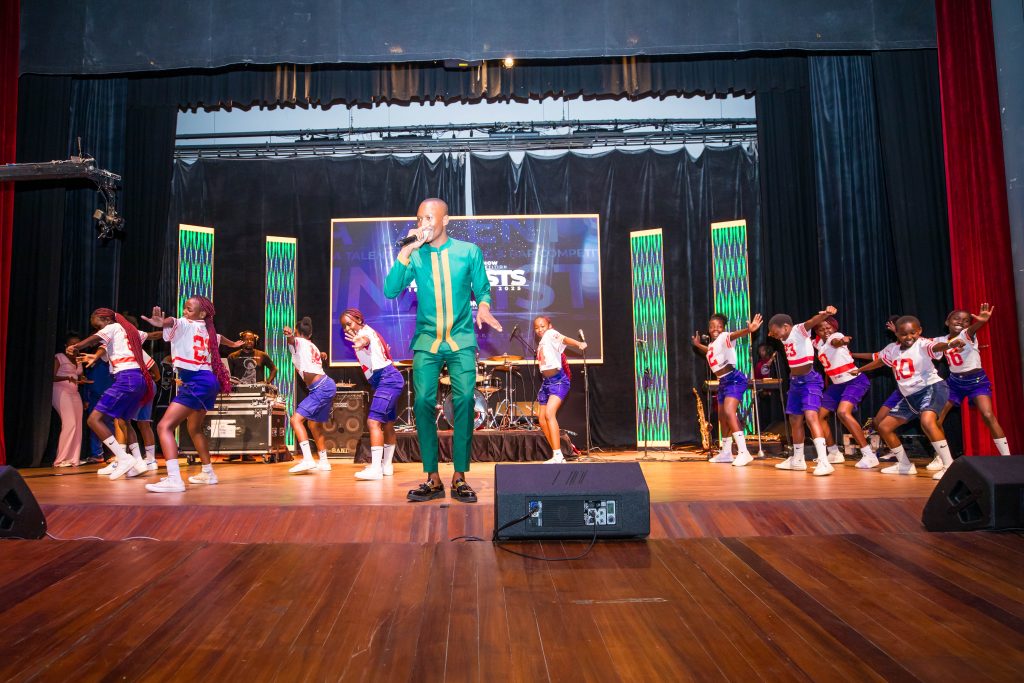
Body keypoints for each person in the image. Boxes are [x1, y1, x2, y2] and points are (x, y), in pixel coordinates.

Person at [383, 198, 501, 503]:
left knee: (463, 400)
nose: (424, 224)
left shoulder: (468, 251)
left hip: (461, 339)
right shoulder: (417, 255)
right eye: (420, 218)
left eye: (429, 218)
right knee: (422, 401)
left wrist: (484, 307)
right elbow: (390, 289)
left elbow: (483, 288)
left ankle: (459, 476)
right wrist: (406, 250)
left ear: (445, 220)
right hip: (427, 341)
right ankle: (432, 477)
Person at [142, 297, 241, 493]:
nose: (185, 312)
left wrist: (164, 322)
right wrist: (235, 344)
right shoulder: (209, 331)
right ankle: (208, 472)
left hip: (197, 382)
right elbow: (223, 339)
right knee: (194, 428)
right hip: (208, 382)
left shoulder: (185, 324)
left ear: (202, 314)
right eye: (184, 309)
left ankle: (174, 479)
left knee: (164, 426)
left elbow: (173, 321)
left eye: (189, 309)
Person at [852, 316, 964, 478]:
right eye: (904, 334)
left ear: (919, 331)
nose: (909, 337)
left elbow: (938, 346)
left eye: (913, 332)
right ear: (896, 333)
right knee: (884, 427)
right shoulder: (892, 349)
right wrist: (861, 370)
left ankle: (949, 465)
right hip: (909, 397)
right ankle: (904, 465)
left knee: (927, 421)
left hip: (931, 388)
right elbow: (880, 362)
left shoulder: (923, 344)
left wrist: (950, 344)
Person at [65, 309, 155, 480]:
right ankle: (138, 461)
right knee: (123, 421)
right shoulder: (129, 332)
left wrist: (76, 346)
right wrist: (166, 329)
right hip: (139, 381)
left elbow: (95, 339)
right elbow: (152, 336)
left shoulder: (113, 327)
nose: (98, 330)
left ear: (105, 320)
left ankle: (122, 458)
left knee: (93, 420)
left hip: (126, 378)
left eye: (98, 326)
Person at [767, 306, 838, 476]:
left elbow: (810, 322)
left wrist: (826, 314)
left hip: (810, 380)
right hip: (795, 382)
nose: (774, 335)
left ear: (786, 326)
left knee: (811, 416)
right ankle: (798, 459)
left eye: (775, 332)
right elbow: (778, 335)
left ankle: (824, 461)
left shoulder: (798, 330)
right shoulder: (783, 338)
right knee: (794, 419)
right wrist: (772, 331)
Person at [935, 304, 1009, 460]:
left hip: (976, 381)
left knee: (988, 415)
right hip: (954, 383)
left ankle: (1007, 458)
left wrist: (981, 322)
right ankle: (943, 458)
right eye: (957, 318)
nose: (961, 322)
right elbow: (920, 343)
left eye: (966, 320)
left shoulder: (966, 334)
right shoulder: (940, 340)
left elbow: (972, 329)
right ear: (947, 322)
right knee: (936, 419)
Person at [691, 313, 762, 466]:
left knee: (730, 413)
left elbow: (734, 335)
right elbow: (709, 350)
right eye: (712, 326)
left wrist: (748, 330)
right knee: (722, 417)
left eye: (718, 326)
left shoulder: (724, 337)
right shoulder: (712, 345)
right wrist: (697, 345)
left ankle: (744, 452)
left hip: (734, 379)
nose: (715, 329)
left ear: (723, 328)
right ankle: (726, 452)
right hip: (723, 382)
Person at [341, 308, 404, 480]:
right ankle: (386, 466)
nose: (346, 329)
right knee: (388, 423)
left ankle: (376, 469)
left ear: (359, 320)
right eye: (344, 327)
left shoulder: (365, 333)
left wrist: (363, 342)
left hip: (387, 379)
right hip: (388, 378)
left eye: (349, 324)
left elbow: (366, 340)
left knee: (373, 421)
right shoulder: (371, 332)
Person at [813, 317, 878, 469]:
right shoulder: (817, 343)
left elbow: (837, 341)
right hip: (837, 386)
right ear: (817, 332)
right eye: (822, 329)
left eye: (829, 327)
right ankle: (834, 452)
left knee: (843, 412)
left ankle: (869, 455)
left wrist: (844, 341)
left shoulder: (835, 337)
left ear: (834, 328)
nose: (826, 331)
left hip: (854, 381)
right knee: (818, 416)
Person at [284, 316, 337, 474]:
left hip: (321, 388)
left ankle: (308, 459)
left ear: (298, 332)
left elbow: (292, 341)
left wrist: (288, 335)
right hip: (325, 386)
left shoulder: (300, 342)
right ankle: (324, 461)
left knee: (295, 420)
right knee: (314, 424)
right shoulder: (311, 345)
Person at [533, 316, 587, 464]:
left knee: (550, 413)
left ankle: (557, 455)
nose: (539, 329)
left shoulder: (551, 334)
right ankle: (557, 454)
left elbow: (564, 339)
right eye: (536, 328)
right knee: (542, 419)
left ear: (549, 326)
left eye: (542, 326)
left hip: (558, 381)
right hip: (547, 383)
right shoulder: (542, 342)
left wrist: (578, 343)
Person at [52, 332, 88, 467]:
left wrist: (83, 380)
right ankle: (60, 459)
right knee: (70, 423)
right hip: (61, 391)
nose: (75, 346)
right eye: (72, 343)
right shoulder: (59, 357)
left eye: (77, 344)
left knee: (78, 424)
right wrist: (67, 378)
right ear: (66, 345)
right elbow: (52, 377)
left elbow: (80, 377)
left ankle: (73, 458)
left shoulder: (79, 359)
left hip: (75, 392)